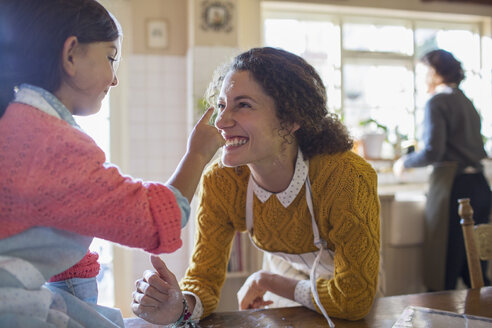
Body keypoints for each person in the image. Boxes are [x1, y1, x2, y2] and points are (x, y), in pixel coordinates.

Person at [0, 0, 222, 327]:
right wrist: (198, 154)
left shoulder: (17, 123)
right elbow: (159, 216)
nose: (114, 79)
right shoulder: (54, 144)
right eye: (110, 57)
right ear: (71, 54)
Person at [132, 47, 382, 326]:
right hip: (279, 294)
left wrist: (267, 280)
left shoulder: (345, 177)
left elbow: (353, 298)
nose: (221, 122)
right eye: (223, 105)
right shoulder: (221, 183)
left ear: (291, 119)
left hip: (344, 298)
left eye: (244, 105)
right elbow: (203, 278)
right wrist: (180, 305)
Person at [393, 49, 491, 291]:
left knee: (444, 264)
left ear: (435, 73)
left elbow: (432, 151)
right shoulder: (466, 101)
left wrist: (403, 163)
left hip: (454, 188)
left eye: (424, 71)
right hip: (480, 185)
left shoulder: (437, 101)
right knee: (475, 268)